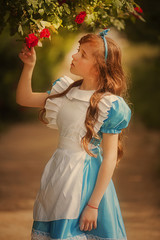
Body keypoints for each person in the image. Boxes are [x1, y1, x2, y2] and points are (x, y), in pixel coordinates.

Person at [16, 29, 132, 240]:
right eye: (78, 50)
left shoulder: (109, 104)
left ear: (99, 68)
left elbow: (110, 158)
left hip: (85, 181)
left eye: (83, 54)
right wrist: (29, 66)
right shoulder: (66, 92)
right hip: (58, 172)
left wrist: (93, 205)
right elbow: (24, 98)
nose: (74, 55)